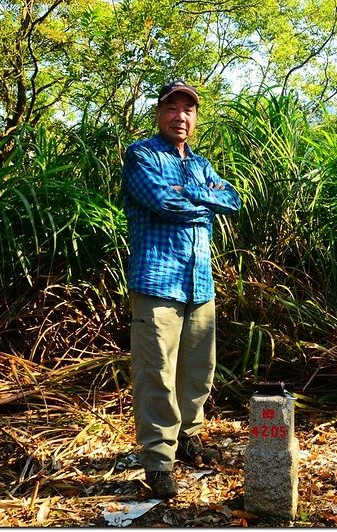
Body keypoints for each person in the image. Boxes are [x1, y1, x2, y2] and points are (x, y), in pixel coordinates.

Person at [120, 80, 242, 498]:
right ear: (159, 114)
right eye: (172, 108)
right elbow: (161, 202)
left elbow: (234, 200)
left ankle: (189, 437)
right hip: (157, 280)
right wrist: (203, 201)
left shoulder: (203, 164)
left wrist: (191, 192)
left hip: (199, 281)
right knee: (156, 373)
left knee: (198, 370)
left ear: (196, 117)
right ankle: (158, 461)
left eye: (187, 110)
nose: (180, 117)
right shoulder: (141, 155)